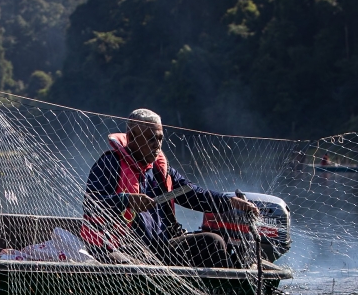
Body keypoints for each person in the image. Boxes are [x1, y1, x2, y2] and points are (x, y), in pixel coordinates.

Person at [81, 108, 258, 267]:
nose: (157, 145)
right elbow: (92, 203)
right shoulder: (109, 164)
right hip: (126, 246)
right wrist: (126, 200)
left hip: (163, 247)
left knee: (214, 241)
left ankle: (225, 291)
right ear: (132, 137)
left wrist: (230, 202)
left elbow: (193, 194)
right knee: (212, 242)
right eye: (151, 139)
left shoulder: (160, 171)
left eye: (160, 139)